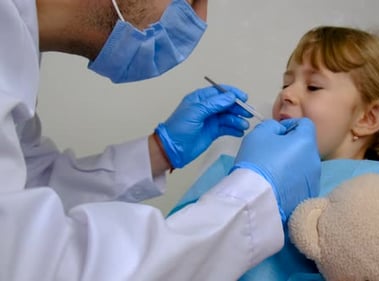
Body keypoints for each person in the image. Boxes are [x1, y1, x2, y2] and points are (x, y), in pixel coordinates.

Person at [0, 0, 322, 280]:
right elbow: (40, 264)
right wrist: (254, 195)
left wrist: (158, 151)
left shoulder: (13, 52)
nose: (199, 18)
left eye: (315, 86)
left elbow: (31, 187)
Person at [170, 26, 379, 280]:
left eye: (313, 87)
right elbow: (173, 253)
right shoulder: (238, 171)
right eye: (286, 82)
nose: (286, 95)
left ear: (368, 118)